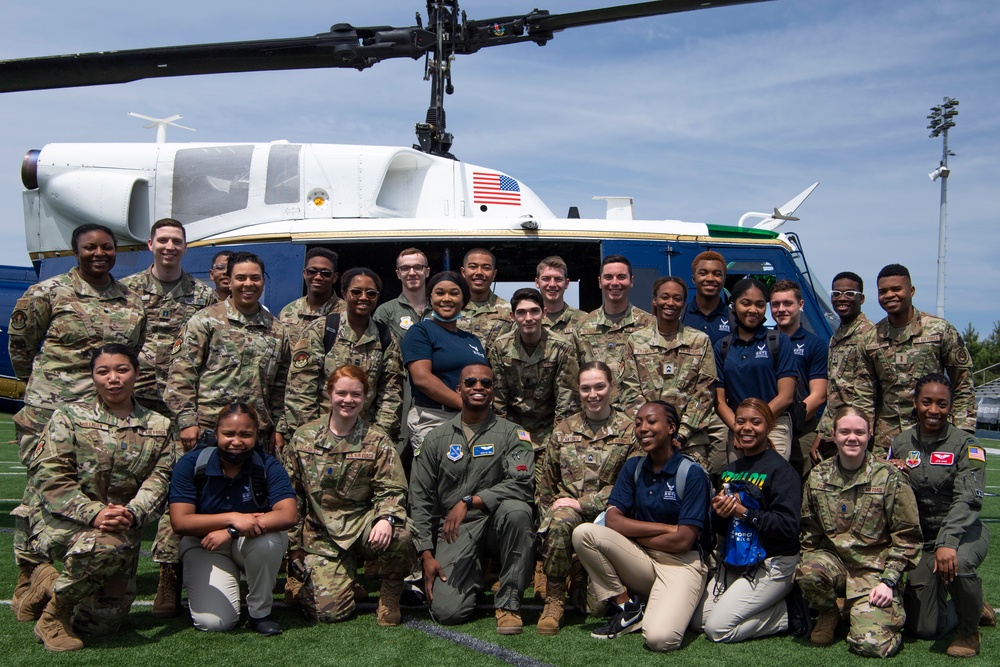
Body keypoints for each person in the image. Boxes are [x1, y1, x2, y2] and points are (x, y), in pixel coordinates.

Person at [8, 223, 146, 618]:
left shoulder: (130, 301)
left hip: (101, 418)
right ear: (75, 251)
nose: (99, 253)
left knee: (90, 491)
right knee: (40, 492)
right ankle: (30, 571)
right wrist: (43, 391)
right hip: (50, 412)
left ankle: (74, 570)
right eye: (90, 247)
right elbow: (22, 349)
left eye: (106, 247)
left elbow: (128, 354)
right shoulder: (46, 293)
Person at [21, 344, 172, 651]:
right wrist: (94, 513)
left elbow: (160, 478)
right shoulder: (69, 417)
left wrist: (131, 513)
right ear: (93, 377)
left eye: (122, 370)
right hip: (64, 521)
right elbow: (50, 476)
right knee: (108, 546)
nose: (113, 379)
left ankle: (47, 584)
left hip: (121, 524)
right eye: (103, 372)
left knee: (102, 623)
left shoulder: (159, 426)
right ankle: (53, 616)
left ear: (137, 375)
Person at [121, 218, 217, 618]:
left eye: (176, 241)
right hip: (135, 408)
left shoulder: (204, 295)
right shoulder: (125, 291)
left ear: (185, 247)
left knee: (175, 491)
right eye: (163, 240)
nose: (169, 247)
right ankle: (116, 574)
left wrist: (189, 416)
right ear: (150, 244)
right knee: (125, 489)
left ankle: (167, 578)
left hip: (181, 412)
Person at [572, 400, 712, 651]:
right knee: (584, 533)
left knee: (660, 639)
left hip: (680, 563)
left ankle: (667, 602)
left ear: (671, 428)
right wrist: (667, 528)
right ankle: (629, 608)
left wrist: (638, 535)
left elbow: (683, 541)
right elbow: (613, 520)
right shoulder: (633, 467)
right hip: (641, 559)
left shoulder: (692, 473)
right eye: (638, 424)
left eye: (651, 421)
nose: (643, 428)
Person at [409, 363, 535, 634]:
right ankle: (474, 574)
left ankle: (509, 603)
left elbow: (522, 485)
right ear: (459, 389)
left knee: (518, 511)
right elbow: (419, 499)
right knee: (447, 613)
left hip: (496, 523)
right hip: (456, 532)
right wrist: (426, 554)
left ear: (493, 391)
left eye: (486, 383)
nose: (478, 387)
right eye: (471, 382)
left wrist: (471, 501)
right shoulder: (435, 439)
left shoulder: (513, 435)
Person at [284, 365, 415, 625]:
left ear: (365, 397)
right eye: (341, 393)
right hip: (322, 533)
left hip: (363, 526)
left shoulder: (377, 440)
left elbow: (392, 489)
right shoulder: (303, 438)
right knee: (327, 613)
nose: (348, 400)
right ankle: (342, 580)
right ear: (329, 394)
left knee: (401, 533)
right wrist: (293, 549)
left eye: (356, 394)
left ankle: (390, 592)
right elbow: (292, 497)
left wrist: (386, 518)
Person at [797, 406, 922, 658]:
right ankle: (829, 611)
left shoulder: (889, 477)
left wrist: (889, 581)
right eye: (844, 431)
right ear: (833, 434)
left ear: (870, 434)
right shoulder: (818, 477)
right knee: (808, 571)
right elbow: (809, 532)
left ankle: (869, 613)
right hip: (837, 568)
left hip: (876, 574)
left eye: (859, 432)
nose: (851, 438)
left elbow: (907, 537)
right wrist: (808, 564)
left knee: (870, 644)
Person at [169, 402, 298, 635]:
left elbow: (288, 515)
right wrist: (234, 518)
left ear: (256, 435)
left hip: (247, 541)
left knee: (268, 541)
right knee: (214, 623)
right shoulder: (191, 464)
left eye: (245, 435)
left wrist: (230, 532)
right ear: (216, 433)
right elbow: (180, 522)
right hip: (205, 545)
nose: (236, 441)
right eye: (228, 434)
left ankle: (260, 613)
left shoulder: (267, 465)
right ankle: (228, 586)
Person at [892, 373, 992, 658]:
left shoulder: (966, 445)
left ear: (950, 407)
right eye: (926, 402)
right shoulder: (901, 442)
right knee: (924, 628)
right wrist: (891, 469)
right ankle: (974, 606)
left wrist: (948, 541)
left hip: (964, 532)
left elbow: (969, 499)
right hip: (924, 538)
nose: (933, 411)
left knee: (957, 563)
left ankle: (969, 630)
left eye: (942, 404)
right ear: (915, 402)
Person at [535, 361, 637, 635]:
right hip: (569, 516)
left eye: (599, 387)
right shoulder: (563, 430)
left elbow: (630, 486)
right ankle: (554, 599)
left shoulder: (630, 431)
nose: (593, 394)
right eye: (586, 388)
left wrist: (584, 503)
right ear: (578, 391)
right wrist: (547, 535)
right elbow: (547, 486)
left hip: (611, 517)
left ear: (612, 388)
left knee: (592, 608)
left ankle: (579, 572)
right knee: (558, 519)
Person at [693, 398, 804, 643]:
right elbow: (724, 527)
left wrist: (743, 512)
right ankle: (765, 603)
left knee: (717, 630)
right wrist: (720, 513)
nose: (746, 428)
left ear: (768, 426)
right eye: (740, 421)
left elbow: (788, 527)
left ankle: (789, 613)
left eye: (756, 422)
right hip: (738, 559)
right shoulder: (730, 469)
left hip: (772, 562)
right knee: (699, 621)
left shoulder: (781, 471)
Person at [166, 251, 291, 453]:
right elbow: (181, 375)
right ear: (230, 281)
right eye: (240, 278)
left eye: (255, 278)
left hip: (254, 436)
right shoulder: (205, 321)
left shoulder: (277, 330)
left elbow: (280, 387)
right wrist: (187, 421)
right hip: (207, 432)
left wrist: (280, 428)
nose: (248, 284)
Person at [856, 264, 976, 456]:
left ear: (911, 291)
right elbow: (864, 395)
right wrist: (861, 431)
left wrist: (962, 432)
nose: (889, 295)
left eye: (896, 289)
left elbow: (963, 384)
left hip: (934, 434)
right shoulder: (870, 339)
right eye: (883, 291)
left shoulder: (939, 330)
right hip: (886, 441)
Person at [284, 267, 403, 441]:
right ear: (344, 293)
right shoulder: (322, 330)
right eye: (356, 292)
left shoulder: (385, 337)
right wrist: (309, 434)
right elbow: (301, 388)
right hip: (319, 433)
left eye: (371, 293)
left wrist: (379, 436)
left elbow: (391, 392)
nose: (363, 298)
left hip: (365, 437)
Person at [621, 276, 717, 469]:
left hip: (689, 442)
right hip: (646, 441)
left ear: (683, 303)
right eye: (665, 297)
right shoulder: (636, 341)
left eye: (677, 298)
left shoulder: (700, 341)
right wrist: (651, 429)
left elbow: (705, 393)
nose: (670, 303)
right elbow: (628, 390)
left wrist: (680, 434)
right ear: (655, 300)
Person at [489, 287, 579, 475]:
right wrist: (502, 439)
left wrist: (557, 443)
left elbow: (565, 400)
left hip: (549, 429)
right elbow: (498, 400)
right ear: (513, 316)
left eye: (534, 311)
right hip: (513, 429)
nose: (528, 318)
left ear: (544, 313)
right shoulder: (500, 347)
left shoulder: (561, 348)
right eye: (521, 313)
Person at [400, 271, 488, 456]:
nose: (446, 299)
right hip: (435, 418)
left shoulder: (472, 339)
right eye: (440, 293)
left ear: (463, 300)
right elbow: (422, 378)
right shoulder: (421, 331)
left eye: (454, 293)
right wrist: (467, 406)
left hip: (473, 420)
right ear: (430, 298)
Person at [713, 278, 797, 460]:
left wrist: (755, 424)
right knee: (738, 485)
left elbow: (786, 396)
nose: (753, 310)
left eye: (760, 304)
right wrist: (740, 428)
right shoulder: (722, 346)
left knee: (771, 483)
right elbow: (719, 401)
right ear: (733, 305)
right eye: (746, 303)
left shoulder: (779, 342)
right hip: (738, 427)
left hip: (773, 425)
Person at [811, 271, 875, 464]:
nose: (842, 299)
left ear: (861, 298)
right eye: (836, 294)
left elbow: (870, 393)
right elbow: (835, 392)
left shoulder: (870, 336)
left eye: (849, 294)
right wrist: (821, 436)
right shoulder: (836, 336)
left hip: (857, 437)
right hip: (836, 433)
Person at [769, 279, 828, 478]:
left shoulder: (815, 345)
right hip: (765, 426)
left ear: (800, 305)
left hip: (801, 427)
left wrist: (788, 422)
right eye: (775, 304)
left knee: (802, 483)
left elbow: (818, 395)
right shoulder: (762, 342)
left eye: (788, 303)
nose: (781, 309)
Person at [682, 250, 732, 477]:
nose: (710, 278)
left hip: (721, 409)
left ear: (724, 279)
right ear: (693, 278)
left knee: (720, 471)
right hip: (686, 407)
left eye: (716, 274)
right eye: (703, 273)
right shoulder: (680, 315)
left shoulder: (734, 318)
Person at [573, 254, 654, 377]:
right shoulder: (582, 327)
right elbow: (574, 374)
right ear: (600, 282)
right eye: (608, 277)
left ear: (631, 281)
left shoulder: (650, 325)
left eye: (621, 277)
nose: (615, 283)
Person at [278, 248, 344, 347]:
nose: (318, 277)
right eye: (312, 271)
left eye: (325, 273)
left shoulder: (347, 313)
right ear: (304, 273)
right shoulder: (287, 312)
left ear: (334, 277)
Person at [457, 248, 512, 350]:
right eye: (473, 267)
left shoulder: (509, 310)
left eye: (486, 268)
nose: (479, 272)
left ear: (494, 274)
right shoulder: (451, 308)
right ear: (463, 272)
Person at [374, 247, 434, 341]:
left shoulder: (440, 308)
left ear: (427, 272)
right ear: (398, 274)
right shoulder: (385, 312)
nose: (412, 273)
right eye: (405, 268)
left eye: (418, 267)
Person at [534, 255, 585, 334]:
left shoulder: (584, 320)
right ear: (537, 283)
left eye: (558, 279)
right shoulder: (527, 321)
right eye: (546, 279)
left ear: (566, 283)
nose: (552, 284)